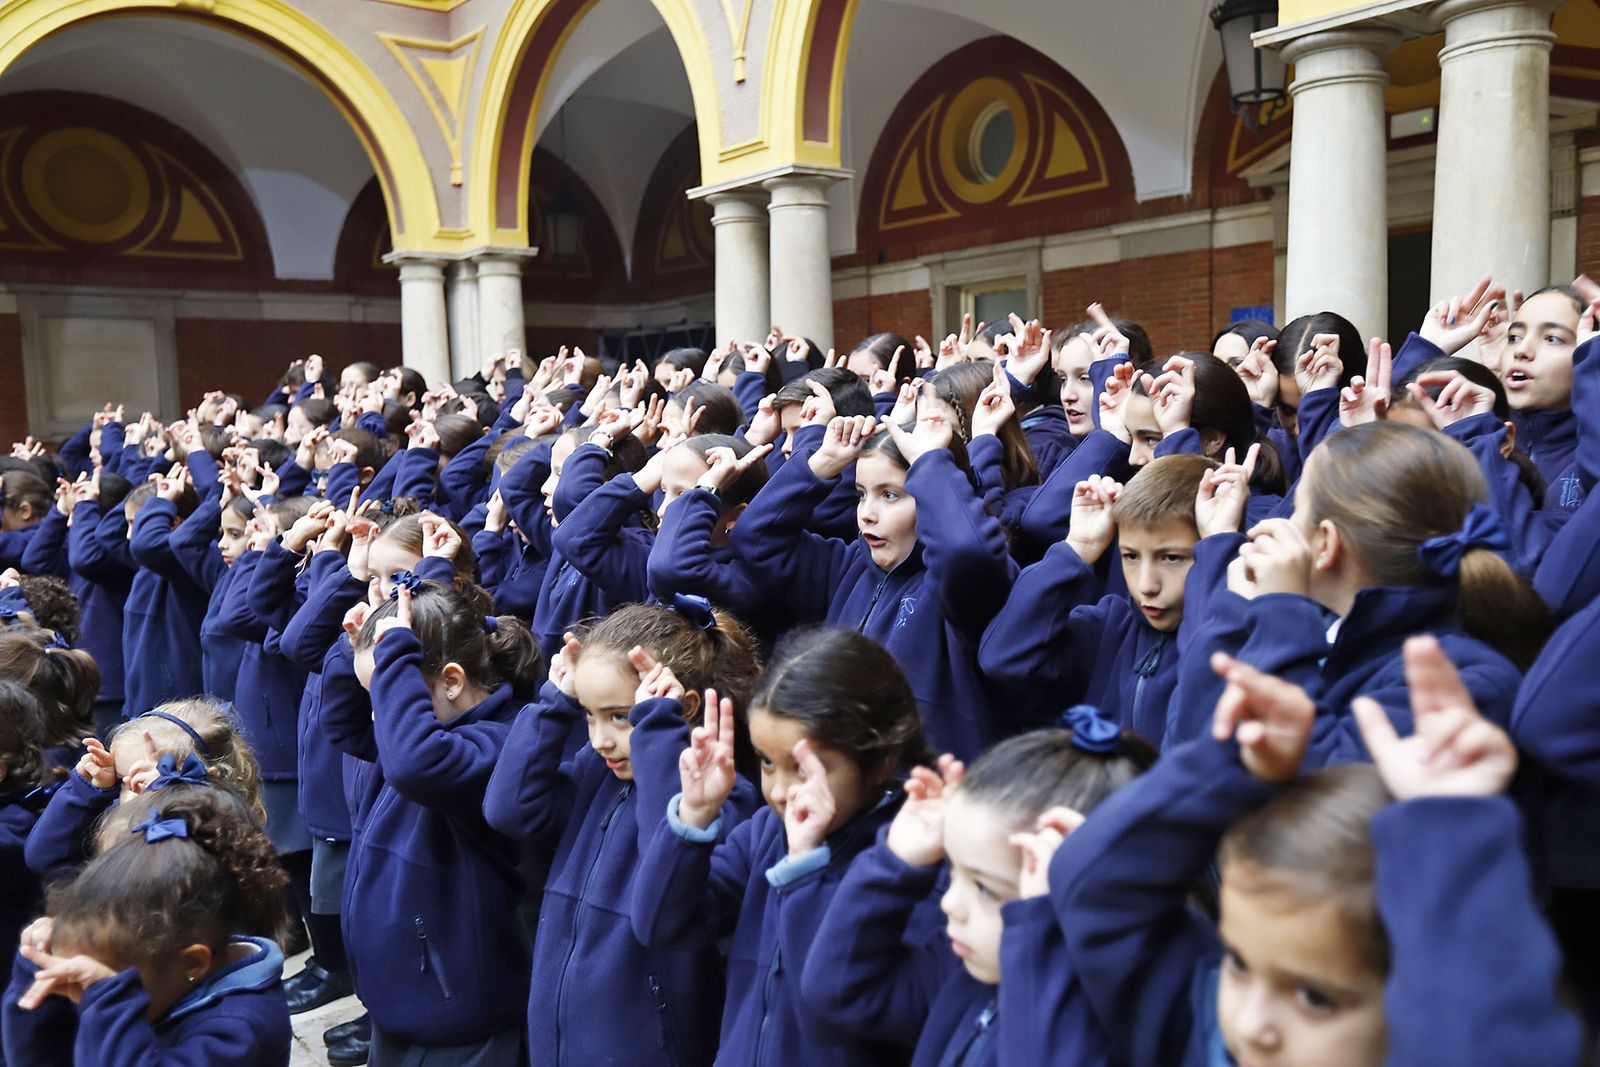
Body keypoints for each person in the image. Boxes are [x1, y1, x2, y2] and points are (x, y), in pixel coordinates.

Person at [1044, 638, 1582, 1067]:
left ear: (1425, 998)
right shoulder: (1199, 1034)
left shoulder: (1448, 1038)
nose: (1251, 1025)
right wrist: (1232, 766)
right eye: (1236, 962)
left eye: (1315, 998)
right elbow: (1094, 891)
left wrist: (1452, 834)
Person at [630, 627, 930, 1067]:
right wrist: (694, 815)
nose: (782, 791)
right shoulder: (768, 832)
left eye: (806, 769)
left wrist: (807, 867)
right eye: (768, 762)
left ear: (882, 759)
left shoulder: (909, 859)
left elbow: (835, 1008)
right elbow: (661, 925)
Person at [483, 602, 763, 1066]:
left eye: (619, 716)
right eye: (589, 715)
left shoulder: (722, 798)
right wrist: (555, 700)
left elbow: (667, 873)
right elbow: (508, 809)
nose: (599, 739)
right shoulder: (599, 773)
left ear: (682, 708)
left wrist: (658, 735)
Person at [1164, 422, 1543, 762]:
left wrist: (1279, 611)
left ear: (1325, 543)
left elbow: (1313, 789)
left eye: (1296, 509)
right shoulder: (1342, 633)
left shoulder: (1456, 680)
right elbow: (1190, 752)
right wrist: (1235, 610)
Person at [800, 706, 1154, 1067]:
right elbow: (839, 989)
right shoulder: (966, 967)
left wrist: (1038, 941)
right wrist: (896, 865)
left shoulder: (1112, 1027)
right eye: (952, 871)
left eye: (985, 888)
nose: (951, 904)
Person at [730, 412, 1018, 759]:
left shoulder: (960, 585)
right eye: (861, 494)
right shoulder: (849, 566)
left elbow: (965, 551)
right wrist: (824, 463)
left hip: (933, 794)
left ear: (934, 494)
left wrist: (930, 462)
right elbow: (755, 537)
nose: (867, 512)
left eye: (890, 495)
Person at [333, 580, 537, 1066]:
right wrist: (355, 648)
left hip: (462, 1022)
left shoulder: (499, 745)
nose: (379, 719)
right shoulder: (417, 729)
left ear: (451, 681)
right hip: (406, 1002)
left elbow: (414, 765)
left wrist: (397, 654)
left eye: (390, 696)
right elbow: (340, 721)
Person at [3, 786, 292, 1067]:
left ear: (193, 963)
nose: (87, 1000)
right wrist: (38, 980)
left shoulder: (240, 1029)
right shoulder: (163, 976)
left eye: (116, 984)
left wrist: (109, 1001)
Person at [981, 451, 1253, 740]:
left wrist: (1219, 545)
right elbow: (1004, 657)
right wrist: (1077, 548)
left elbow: (1207, 699)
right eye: (1131, 556)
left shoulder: (1244, 635)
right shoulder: (1112, 625)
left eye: (1172, 558)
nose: (1147, 584)